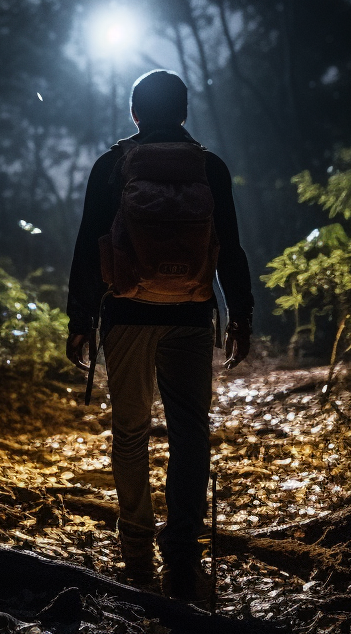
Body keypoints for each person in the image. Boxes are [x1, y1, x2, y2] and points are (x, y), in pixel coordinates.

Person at [65, 69, 252, 601]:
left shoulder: (110, 168)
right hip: (192, 315)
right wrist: (241, 313)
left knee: (130, 433)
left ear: (134, 114)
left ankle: (138, 557)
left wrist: (79, 319)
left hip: (125, 315)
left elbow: (87, 245)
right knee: (191, 434)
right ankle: (183, 561)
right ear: (185, 113)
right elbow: (231, 248)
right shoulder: (210, 168)